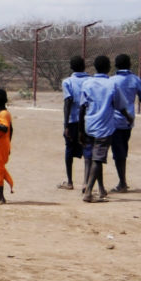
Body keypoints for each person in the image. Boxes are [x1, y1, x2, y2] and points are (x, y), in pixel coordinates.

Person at [79, 55, 132, 203]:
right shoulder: (112, 85)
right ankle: (88, 192)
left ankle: (101, 189)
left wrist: (80, 130)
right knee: (98, 159)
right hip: (104, 128)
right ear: (109, 68)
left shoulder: (87, 83)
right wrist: (128, 117)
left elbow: (82, 108)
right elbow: (120, 106)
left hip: (89, 125)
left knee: (96, 158)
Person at [109, 53, 141, 192]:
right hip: (129, 120)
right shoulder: (135, 79)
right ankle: (122, 181)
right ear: (130, 65)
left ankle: (122, 183)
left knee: (117, 152)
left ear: (115, 66)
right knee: (123, 149)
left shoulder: (112, 80)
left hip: (114, 120)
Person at [59, 56, 89, 190]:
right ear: (84, 66)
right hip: (88, 120)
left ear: (71, 67)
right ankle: (86, 181)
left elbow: (68, 102)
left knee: (69, 149)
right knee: (88, 149)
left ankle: (70, 181)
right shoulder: (91, 80)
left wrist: (65, 124)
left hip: (72, 120)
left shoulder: (68, 82)